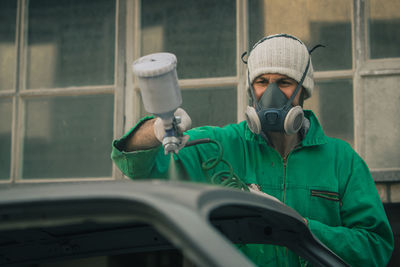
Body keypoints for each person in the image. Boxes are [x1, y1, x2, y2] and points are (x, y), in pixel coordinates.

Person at [111, 34, 394, 266]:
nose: (271, 93)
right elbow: (137, 165)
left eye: (284, 82)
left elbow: (376, 247)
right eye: (261, 82)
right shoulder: (218, 146)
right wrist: (159, 128)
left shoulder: (342, 160)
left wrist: (303, 228)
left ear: (304, 91)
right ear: (250, 88)